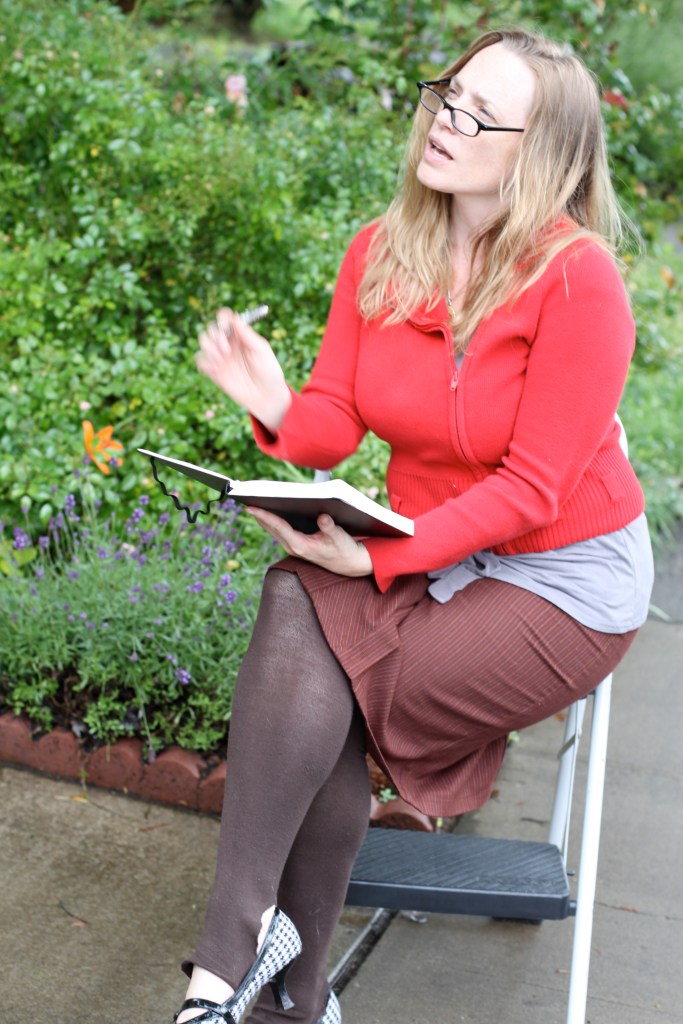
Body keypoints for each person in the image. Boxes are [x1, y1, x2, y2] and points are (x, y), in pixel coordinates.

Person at [171, 27, 654, 1024]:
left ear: (539, 152)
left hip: (563, 574)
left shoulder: (577, 283)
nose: (446, 118)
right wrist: (270, 402)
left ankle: (257, 975)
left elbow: (529, 489)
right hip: (437, 542)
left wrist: (378, 552)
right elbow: (335, 420)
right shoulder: (382, 248)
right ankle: (257, 980)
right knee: (299, 596)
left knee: (327, 644)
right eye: (446, 94)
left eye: (480, 112)